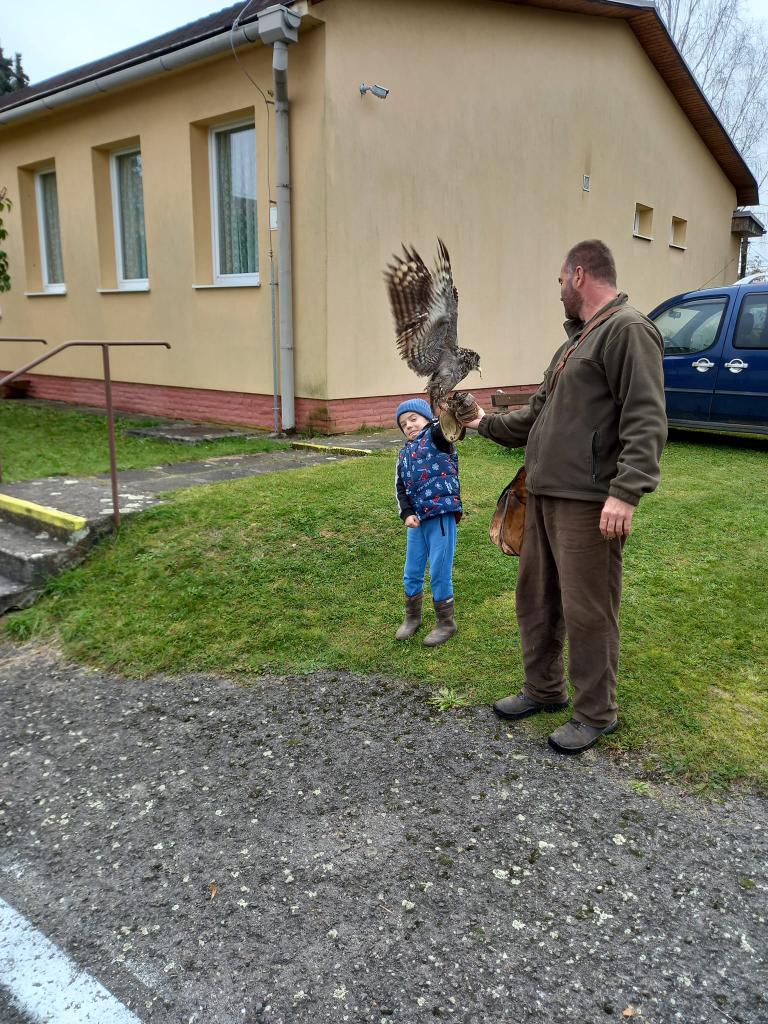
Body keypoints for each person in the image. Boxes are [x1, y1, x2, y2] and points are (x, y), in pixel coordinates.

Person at [463, 240, 667, 754]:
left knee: (588, 608)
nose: (557, 291)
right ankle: (543, 688)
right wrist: (483, 424)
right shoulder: (575, 343)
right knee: (537, 599)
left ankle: (596, 712)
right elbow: (538, 413)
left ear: (579, 275)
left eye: (559, 281)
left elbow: (646, 415)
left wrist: (626, 491)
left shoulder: (627, 330)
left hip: (588, 501)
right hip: (543, 494)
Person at [394, 397, 463, 647]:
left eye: (413, 419)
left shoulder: (437, 438)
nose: (409, 425)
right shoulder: (404, 454)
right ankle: (412, 617)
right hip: (417, 521)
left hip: (441, 515)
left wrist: (448, 411)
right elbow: (400, 488)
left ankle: (446, 623)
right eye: (404, 424)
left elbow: (448, 427)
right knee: (412, 571)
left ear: (427, 418)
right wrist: (406, 513)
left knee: (438, 571)